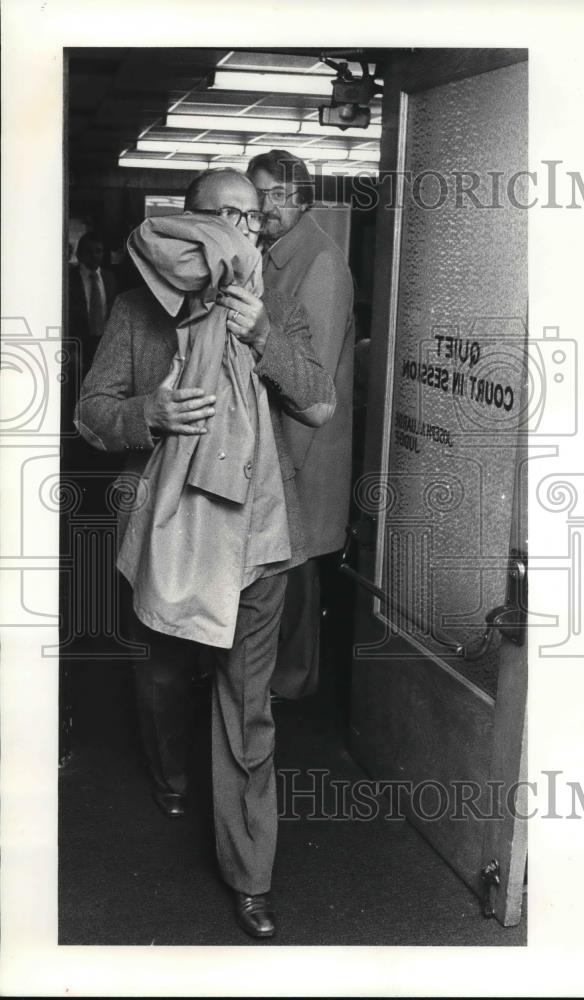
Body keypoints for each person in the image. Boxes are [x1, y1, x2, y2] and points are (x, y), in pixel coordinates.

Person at [75, 168, 335, 940]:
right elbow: (93, 414)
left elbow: (317, 402)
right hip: (169, 535)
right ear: (185, 223)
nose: (237, 230)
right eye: (220, 215)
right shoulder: (135, 309)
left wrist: (260, 335)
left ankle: (250, 874)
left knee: (245, 707)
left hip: (256, 541)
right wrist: (148, 411)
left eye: (250, 218)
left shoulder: (271, 304)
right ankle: (170, 774)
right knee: (162, 676)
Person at [247, 150, 355, 701]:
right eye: (261, 194)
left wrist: (283, 467)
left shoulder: (321, 263)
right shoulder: (272, 252)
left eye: (281, 196)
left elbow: (313, 385)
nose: (269, 206)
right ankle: (275, 678)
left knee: (297, 573)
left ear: (304, 199)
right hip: (275, 442)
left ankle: (292, 685)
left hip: (303, 448)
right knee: (278, 571)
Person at [67, 231, 117, 378]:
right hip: (80, 344)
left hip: (103, 342)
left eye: (98, 251)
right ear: (79, 254)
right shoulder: (70, 279)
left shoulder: (110, 278)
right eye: (89, 251)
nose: (95, 256)